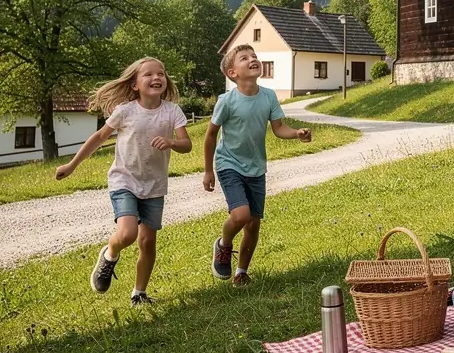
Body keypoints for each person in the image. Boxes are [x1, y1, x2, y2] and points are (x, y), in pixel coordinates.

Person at [55, 57, 191, 305]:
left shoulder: (172, 111)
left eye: (161, 73)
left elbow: (187, 144)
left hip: (155, 185)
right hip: (124, 180)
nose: (156, 77)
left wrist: (171, 141)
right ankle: (110, 254)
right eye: (148, 74)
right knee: (127, 233)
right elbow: (98, 137)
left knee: (147, 241)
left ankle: (139, 294)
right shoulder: (125, 111)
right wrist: (72, 165)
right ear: (134, 84)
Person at [203, 44, 311, 286]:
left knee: (253, 223)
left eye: (254, 56)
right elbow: (210, 135)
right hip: (228, 162)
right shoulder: (226, 101)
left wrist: (297, 133)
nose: (253, 59)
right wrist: (208, 170)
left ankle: (241, 272)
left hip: (256, 167)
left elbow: (279, 128)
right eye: (244, 58)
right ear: (233, 73)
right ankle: (223, 244)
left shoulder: (268, 96)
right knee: (241, 215)